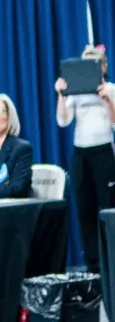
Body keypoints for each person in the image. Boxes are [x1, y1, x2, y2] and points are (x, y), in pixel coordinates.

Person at [55, 46, 115, 272]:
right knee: (85, 209)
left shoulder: (111, 89)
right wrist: (61, 95)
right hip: (81, 153)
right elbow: (63, 121)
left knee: (108, 206)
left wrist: (107, 100)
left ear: (103, 67)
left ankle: (111, 260)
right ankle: (93, 265)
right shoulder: (76, 93)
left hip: (104, 152)